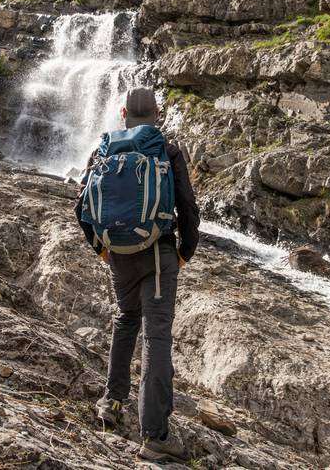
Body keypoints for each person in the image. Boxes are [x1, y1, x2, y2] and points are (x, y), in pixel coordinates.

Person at [75, 87, 200, 463]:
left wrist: (100, 247)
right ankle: (155, 435)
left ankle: (111, 403)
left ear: (123, 111)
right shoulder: (168, 149)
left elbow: (81, 204)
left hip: (119, 253)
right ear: (158, 114)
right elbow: (188, 207)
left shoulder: (103, 150)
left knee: (125, 320)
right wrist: (184, 253)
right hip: (158, 252)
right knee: (157, 336)